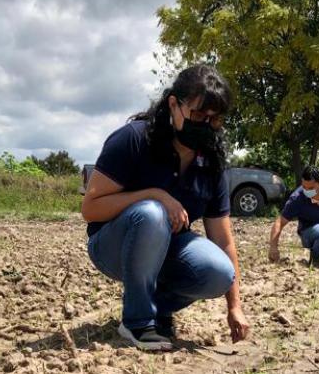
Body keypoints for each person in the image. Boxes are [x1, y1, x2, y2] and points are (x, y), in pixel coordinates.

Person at [81, 64, 250, 351]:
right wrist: (155, 194)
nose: (206, 125)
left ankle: (155, 309)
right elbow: (91, 208)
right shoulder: (134, 139)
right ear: (174, 104)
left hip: (166, 249)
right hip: (112, 246)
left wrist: (234, 305)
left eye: (215, 119)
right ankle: (137, 322)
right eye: (198, 115)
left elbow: (223, 240)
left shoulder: (211, 163)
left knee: (219, 272)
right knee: (151, 212)